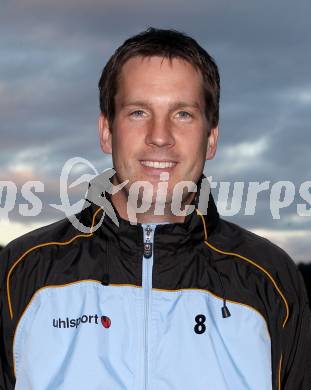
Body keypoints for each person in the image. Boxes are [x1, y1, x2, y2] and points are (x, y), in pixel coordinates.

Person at [0, 28, 310, 390]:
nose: (159, 135)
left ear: (211, 138)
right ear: (106, 131)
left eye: (182, 114)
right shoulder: (20, 274)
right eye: (137, 112)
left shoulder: (270, 281)